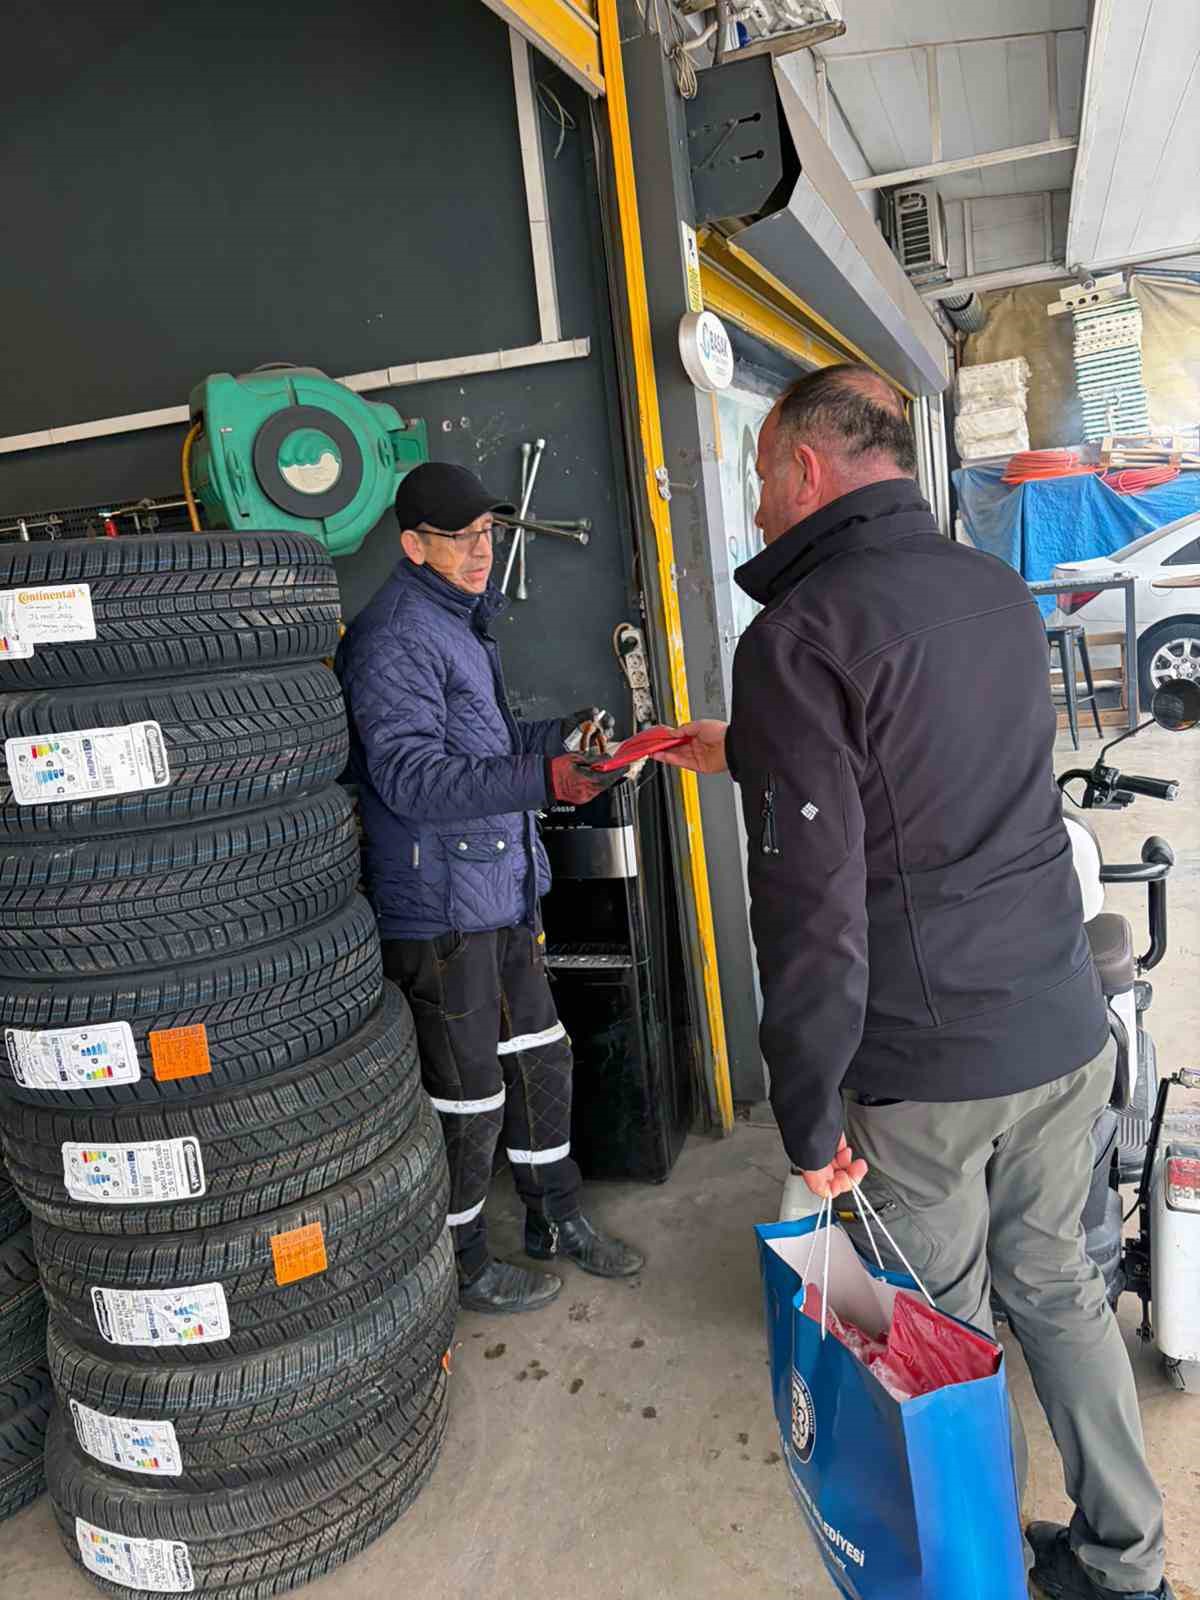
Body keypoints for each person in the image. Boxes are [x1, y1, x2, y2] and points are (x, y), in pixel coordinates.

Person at [657, 365, 1172, 1600]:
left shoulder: (796, 636)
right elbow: (928, 760)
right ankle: (1129, 1568)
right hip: (1062, 1024)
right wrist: (754, 750)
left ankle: (977, 1574)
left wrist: (809, 1107)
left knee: (938, 1331)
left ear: (806, 467)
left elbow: (813, 911)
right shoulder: (991, 587)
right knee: (1062, 1290)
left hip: (929, 1066)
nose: (758, 505)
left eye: (761, 475)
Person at [337, 461, 644, 1314]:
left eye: (488, 534)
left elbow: (487, 744)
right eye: (461, 538)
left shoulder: (458, 622)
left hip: (499, 888)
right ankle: (463, 1261)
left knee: (541, 1057)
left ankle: (555, 1216)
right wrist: (545, 778)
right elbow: (409, 778)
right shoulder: (395, 637)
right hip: (440, 909)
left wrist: (563, 739)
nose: (482, 551)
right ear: (413, 546)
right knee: (467, 1096)